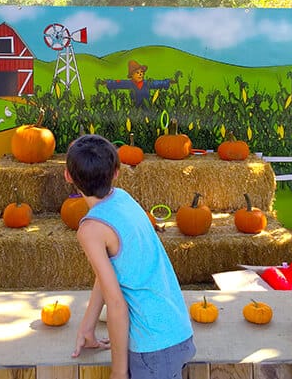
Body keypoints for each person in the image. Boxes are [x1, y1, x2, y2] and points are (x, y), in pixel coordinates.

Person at [65, 134, 195, 379]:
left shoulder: (91, 229)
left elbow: (116, 305)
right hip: (176, 332)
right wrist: (88, 327)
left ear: (68, 176)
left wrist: (118, 370)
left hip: (152, 350)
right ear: (116, 172)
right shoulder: (122, 198)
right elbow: (108, 276)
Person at [99, 60, 175, 107]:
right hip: (135, 110)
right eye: (137, 73)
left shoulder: (147, 83)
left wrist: (167, 82)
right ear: (132, 75)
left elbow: (157, 83)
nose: (140, 74)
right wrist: (107, 83)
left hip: (147, 109)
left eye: (142, 72)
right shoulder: (129, 84)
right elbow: (119, 83)